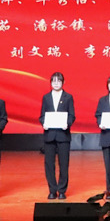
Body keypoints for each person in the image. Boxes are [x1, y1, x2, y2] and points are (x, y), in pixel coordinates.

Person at [39, 72, 76, 200]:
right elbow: (42, 115)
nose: (56, 83)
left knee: (64, 164)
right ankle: (52, 190)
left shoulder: (68, 97)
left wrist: (67, 124)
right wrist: (44, 123)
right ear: (50, 83)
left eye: (58, 81)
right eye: (53, 81)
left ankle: (62, 190)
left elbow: (71, 115)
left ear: (63, 82)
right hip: (49, 135)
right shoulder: (46, 97)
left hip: (63, 135)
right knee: (49, 164)